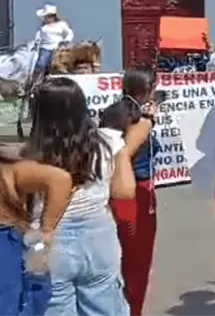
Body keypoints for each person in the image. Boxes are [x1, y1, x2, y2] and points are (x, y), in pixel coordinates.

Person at [25, 76, 151, 316]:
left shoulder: (29, 153)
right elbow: (124, 191)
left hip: (46, 237)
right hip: (97, 235)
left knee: (52, 305)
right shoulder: (107, 141)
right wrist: (126, 151)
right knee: (104, 304)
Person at [102, 70, 163, 316]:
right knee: (138, 258)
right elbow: (125, 152)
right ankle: (132, 308)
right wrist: (148, 121)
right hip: (137, 189)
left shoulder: (112, 112)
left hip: (111, 189)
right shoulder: (141, 121)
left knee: (119, 254)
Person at [0, 148, 73, 316]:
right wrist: (46, 232)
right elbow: (59, 179)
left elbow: (59, 179)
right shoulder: (9, 170)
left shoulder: (10, 171)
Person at [33, 5, 74, 74]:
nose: (46, 18)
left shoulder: (62, 24)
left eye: (48, 16)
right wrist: (36, 43)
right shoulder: (43, 27)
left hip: (58, 48)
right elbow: (38, 36)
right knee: (41, 64)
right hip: (45, 48)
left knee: (64, 64)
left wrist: (67, 41)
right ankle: (36, 79)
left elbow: (69, 33)